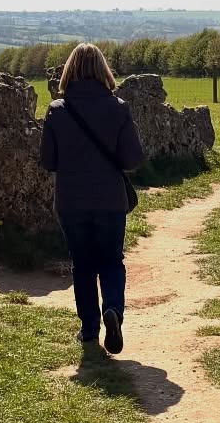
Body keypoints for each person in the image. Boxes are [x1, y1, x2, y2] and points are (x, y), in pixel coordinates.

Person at [38, 44, 144, 354]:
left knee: (82, 265)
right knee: (111, 261)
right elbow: (133, 159)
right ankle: (113, 309)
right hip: (110, 199)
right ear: (103, 71)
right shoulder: (119, 108)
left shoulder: (58, 111)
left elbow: (48, 161)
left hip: (71, 201)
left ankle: (88, 329)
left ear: (69, 70)